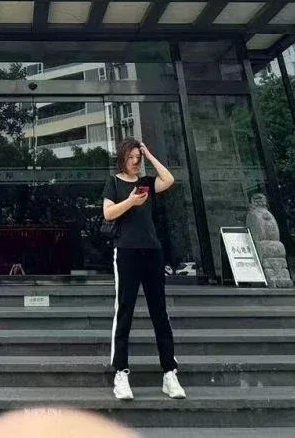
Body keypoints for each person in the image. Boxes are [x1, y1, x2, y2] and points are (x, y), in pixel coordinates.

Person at [102, 138, 184, 401]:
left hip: (152, 251)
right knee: (124, 311)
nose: (135, 161)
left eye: (138, 157)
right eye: (132, 157)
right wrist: (130, 202)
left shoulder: (147, 182)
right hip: (126, 252)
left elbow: (168, 179)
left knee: (159, 312)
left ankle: (169, 372)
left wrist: (149, 153)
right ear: (122, 158)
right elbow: (108, 213)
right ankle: (121, 373)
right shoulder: (113, 182)